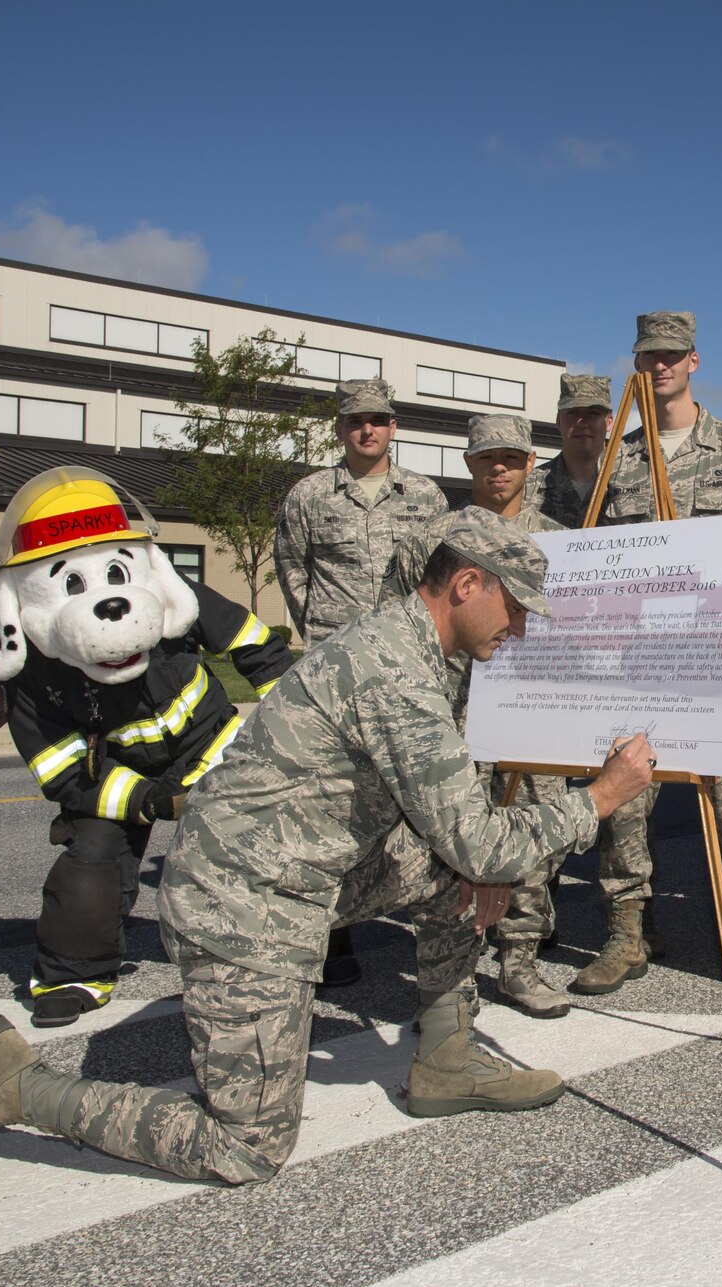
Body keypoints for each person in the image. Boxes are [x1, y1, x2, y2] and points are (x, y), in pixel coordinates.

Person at [0, 510, 660, 1184]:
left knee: (449, 868)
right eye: (517, 606)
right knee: (245, 1146)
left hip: (294, 871)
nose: (522, 627)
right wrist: (600, 795)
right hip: (241, 904)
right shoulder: (397, 673)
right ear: (467, 583)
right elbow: (485, 839)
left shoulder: (409, 644)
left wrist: (472, 859)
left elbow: (456, 827)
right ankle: (14, 1086)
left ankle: (444, 1058)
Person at [0, 470, 294, 1027]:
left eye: (115, 571)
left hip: (212, 745)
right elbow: (59, 766)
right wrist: (143, 800)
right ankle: (73, 971)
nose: (111, 602)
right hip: (118, 773)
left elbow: (254, 646)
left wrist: (294, 723)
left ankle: (304, 950)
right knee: (92, 857)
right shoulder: (29, 665)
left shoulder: (170, 594)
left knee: (278, 842)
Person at [575, 311, 722, 1004]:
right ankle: (630, 929)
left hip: (710, 660)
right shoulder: (621, 458)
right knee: (626, 801)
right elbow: (599, 557)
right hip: (637, 658)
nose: (659, 366)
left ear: (693, 361)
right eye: (647, 356)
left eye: (671, 355)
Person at [389, 414, 573, 1018]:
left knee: (532, 836)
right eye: (487, 458)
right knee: (448, 844)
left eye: (512, 458)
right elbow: (403, 622)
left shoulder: (560, 540)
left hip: (532, 710)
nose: (499, 468)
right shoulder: (430, 538)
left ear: (529, 464)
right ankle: (448, 986)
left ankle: (520, 961)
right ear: (469, 464)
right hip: (452, 715)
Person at [274, 374, 447, 987]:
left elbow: (438, 579)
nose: (367, 429)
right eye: (355, 421)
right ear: (340, 428)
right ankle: (332, 935)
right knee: (332, 800)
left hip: (403, 666)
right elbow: (294, 568)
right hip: (335, 672)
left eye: (377, 419)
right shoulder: (309, 496)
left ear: (393, 427)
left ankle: (431, 929)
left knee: (414, 797)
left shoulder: (425, 497)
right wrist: (322, 633)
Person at [525, 372, 614, 530]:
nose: (582, 423)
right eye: (572, 413)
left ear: (609, 422)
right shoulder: (527, 488)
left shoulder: (633, 479)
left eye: (593, 414)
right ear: (558, 421)